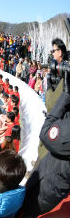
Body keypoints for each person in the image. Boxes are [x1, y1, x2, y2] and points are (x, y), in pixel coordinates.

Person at [20, 59, 70, 216]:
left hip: (47, 189)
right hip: (52, 178)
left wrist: (65, 94)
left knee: (25, 211)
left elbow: (46, 133)